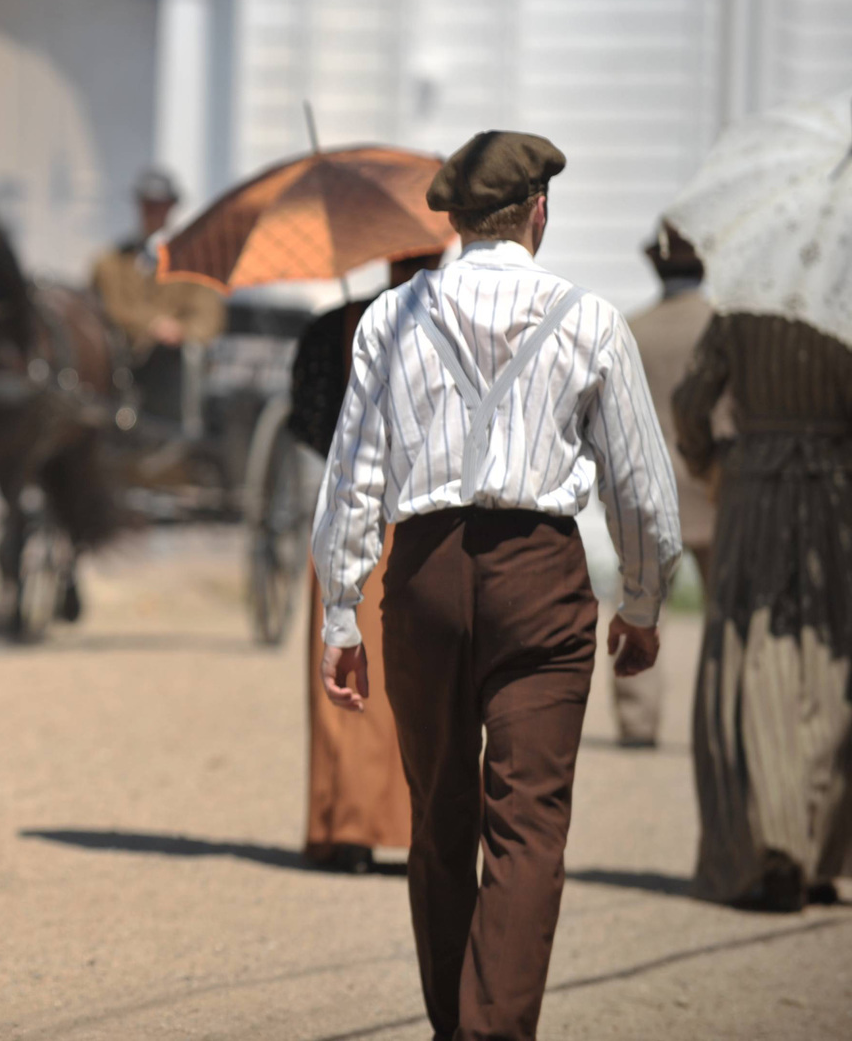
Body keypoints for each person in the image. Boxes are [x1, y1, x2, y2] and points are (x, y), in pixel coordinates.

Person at [312, 130, 681, 1041]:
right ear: (538, 213)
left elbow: (354, 476)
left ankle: (455, 1025)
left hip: (426, 576)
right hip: (540, 579)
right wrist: (641, 605)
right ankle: (495, 1031)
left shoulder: (389, 319)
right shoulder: (589, 319)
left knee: (438, 821)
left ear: (456, 218)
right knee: (529, 826)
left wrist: (339, 613)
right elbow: (643, 491)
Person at [674, 309, 852, 911]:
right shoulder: (844, 304)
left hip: (753, 490)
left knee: (754, 667)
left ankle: (774, 850)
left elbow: (691, 401)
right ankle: (820, 850)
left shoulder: (741, 307)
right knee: (831, 667)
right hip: (835, 495)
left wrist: (712, 462)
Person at [287, 250, 443, 873]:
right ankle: (416, 827)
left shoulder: (335, 327)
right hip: (426, 519)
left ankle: (341, 826)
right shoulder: (462, 323)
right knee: (421, 684)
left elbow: (305, 421)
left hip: (346, 508)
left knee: (343, 683)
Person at [614, 225, 721, 748]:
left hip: (651, 495)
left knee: (641, 608)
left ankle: (637, 722)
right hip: (717, 490)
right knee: (730, 614)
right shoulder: (723, 327)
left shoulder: (632, 329)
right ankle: (727, 719)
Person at [89, 169, 226, 422]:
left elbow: (208, 319)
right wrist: (151, 324)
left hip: (169, 368)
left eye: (160, 206)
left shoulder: (194, 264)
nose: (153, 212)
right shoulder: (110, 263)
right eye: (148, 205)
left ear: (171, 208)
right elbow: (101, 308)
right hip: (117, 362)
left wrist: (179, 330)